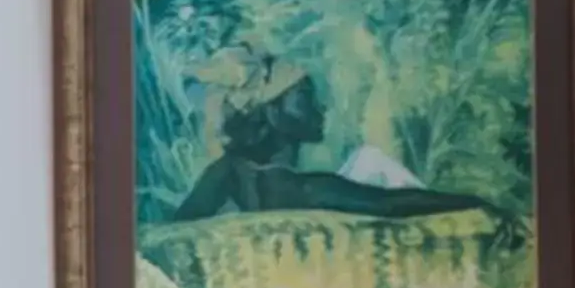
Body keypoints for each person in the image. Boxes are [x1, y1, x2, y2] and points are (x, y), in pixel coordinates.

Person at [170, 42, 494, 223]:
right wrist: (475, 201)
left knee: (369, 160)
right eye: (306, 98)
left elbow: (178, 223)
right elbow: (388, 204)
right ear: (271, 112)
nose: (321, 108)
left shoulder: (227, 172)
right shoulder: (294, 187)